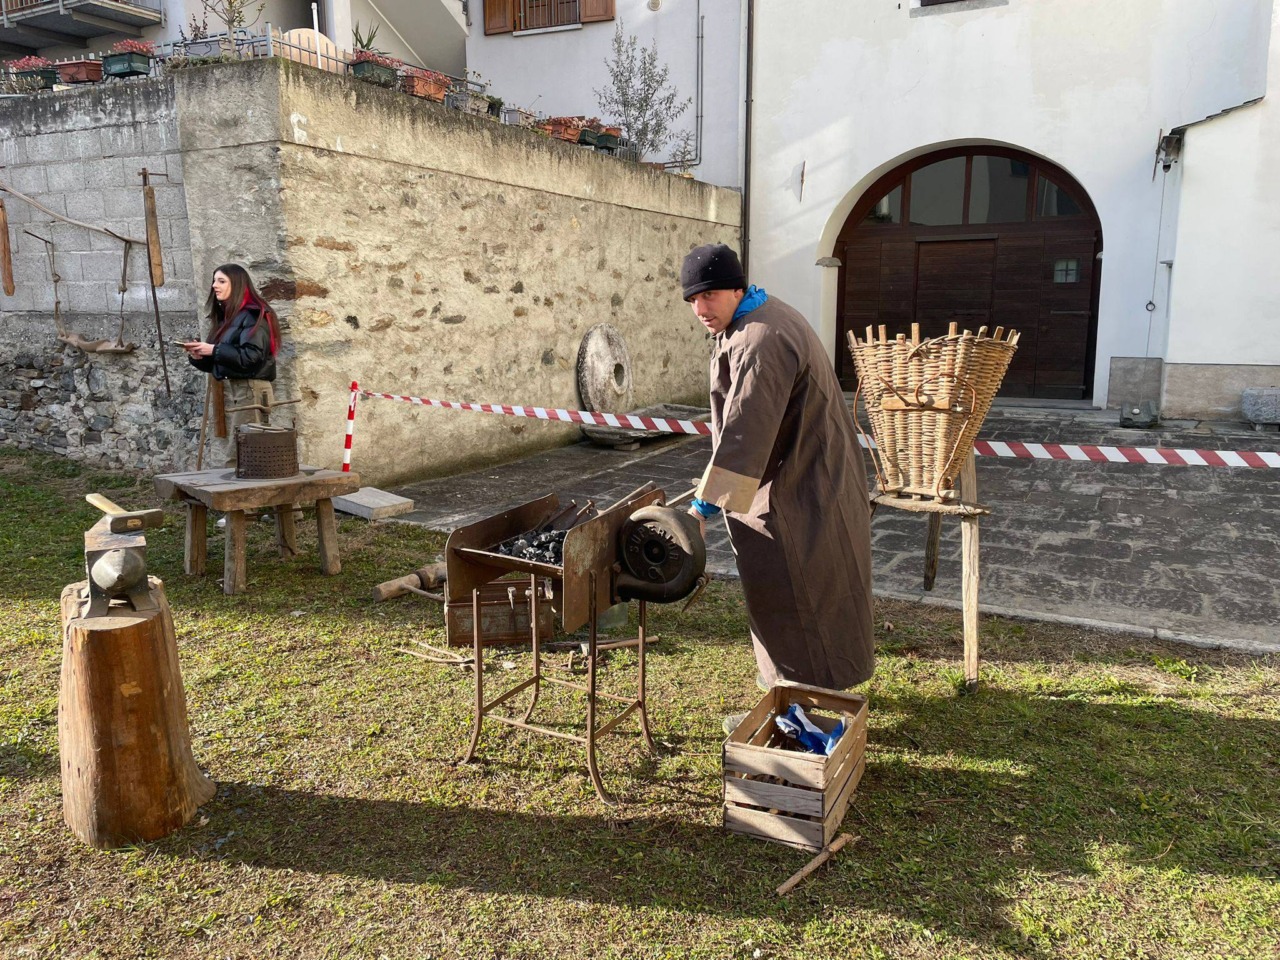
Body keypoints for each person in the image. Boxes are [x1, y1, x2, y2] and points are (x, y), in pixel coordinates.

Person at [681, 243, 875, 705]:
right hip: (815, 473)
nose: (700, 308)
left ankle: (802, 702)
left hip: (799, 487)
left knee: (799, 592)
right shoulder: (761, 315)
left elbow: (747, 432)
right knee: (822, 588)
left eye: (708, 295)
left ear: (735, 287)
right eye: (692, 299)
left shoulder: (760, 338)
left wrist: (704, 504)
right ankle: (808, 689)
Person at [182, 263, 280, 469]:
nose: (214, 286)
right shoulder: (229, 317)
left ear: (237, 284)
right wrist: (200, 357)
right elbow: (226, 360)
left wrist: (214, 350)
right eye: (214, 280)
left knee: (241, 453)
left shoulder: (254, 314)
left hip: (251, 389)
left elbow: (251, 356)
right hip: (238, 388)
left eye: (221, 281)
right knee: (243, 452)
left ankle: (242, 498)